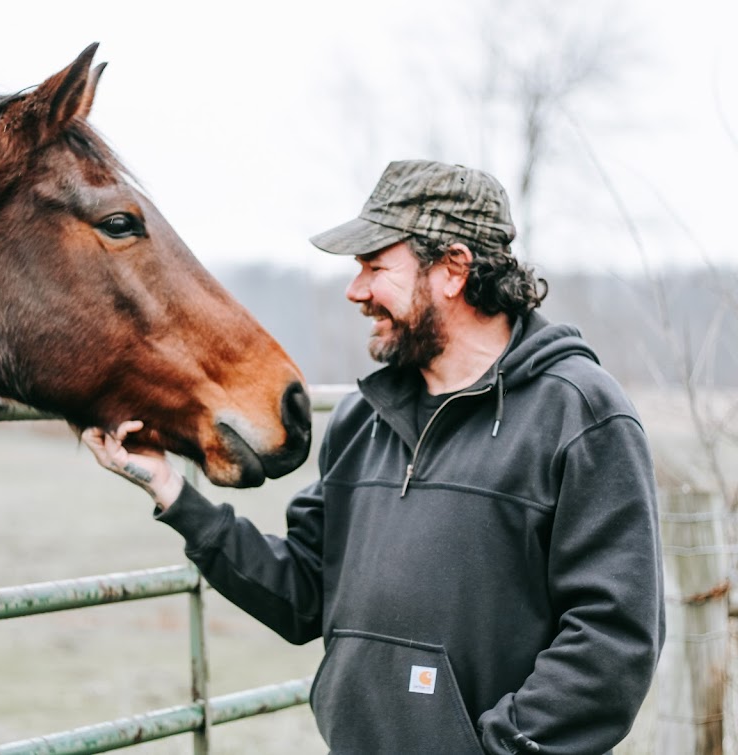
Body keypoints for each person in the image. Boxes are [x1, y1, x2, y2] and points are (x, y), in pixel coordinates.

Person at [82, 159, 664, 754]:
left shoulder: (580, 414)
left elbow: (612, 641)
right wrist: (174, 495)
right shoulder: (364, 421)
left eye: (375, 266)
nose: (355, 289)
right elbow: (302, 594)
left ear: (453, 270)